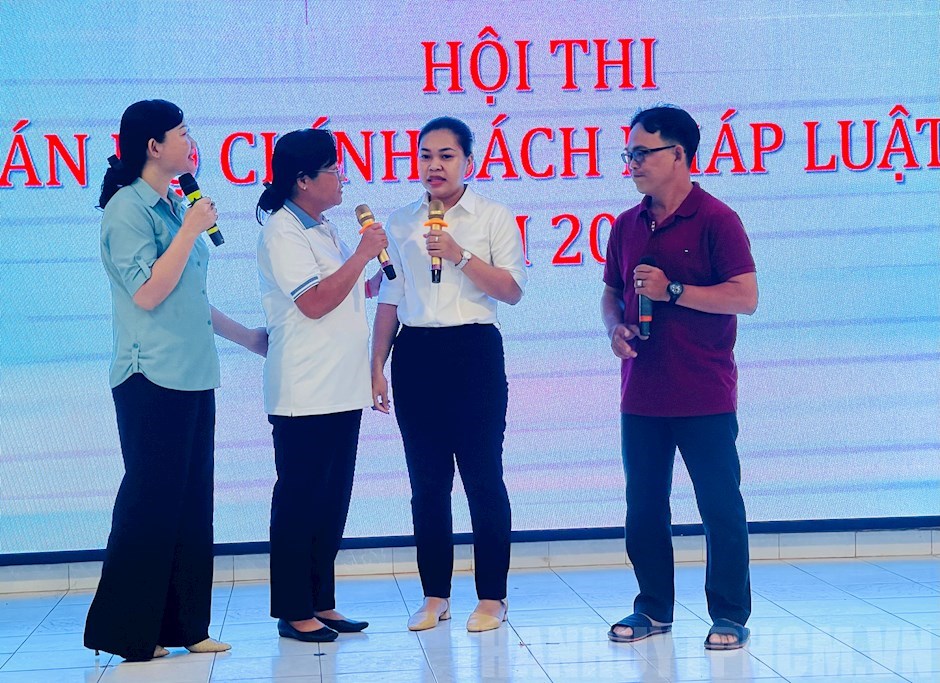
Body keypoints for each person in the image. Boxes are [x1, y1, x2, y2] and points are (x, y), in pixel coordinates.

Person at [85, 99, 267, 662]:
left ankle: (187, 626)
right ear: (153, 146)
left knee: (190, 504)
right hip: (151, 376)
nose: (192, 143)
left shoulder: (170, 203)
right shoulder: (127, 209)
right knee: (150, 505)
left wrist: (248, 338)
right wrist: (190, 228)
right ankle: (127, 632)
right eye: (183, 133)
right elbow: (148, 292)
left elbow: (189, 297)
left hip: (193, 372)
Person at [601, 105, 758, 651]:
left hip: (703, 392)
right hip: (641, 392)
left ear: (679, 155)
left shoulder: (717, 219)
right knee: (644, 507)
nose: (633, 163)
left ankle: (730, 613)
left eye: (643, 153)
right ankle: (653, 608)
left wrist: (672, 291)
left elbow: (745, 297)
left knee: (719, 506)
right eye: (629, 153)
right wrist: (615, 329)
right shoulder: (626, 224)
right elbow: (611, 293)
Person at [371, 116, 527, 633]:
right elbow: (391, 296)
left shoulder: (493, 216)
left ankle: (492, 596)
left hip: (474, 351)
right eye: (425, 155)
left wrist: (459, 255)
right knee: (427, 484)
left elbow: (511, 290)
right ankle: (434, 594)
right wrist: (376, 366)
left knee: (483, 478)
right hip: (416, 354)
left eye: (446, 155)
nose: (434, 165)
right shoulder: (401, 221)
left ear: (468, 162)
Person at [256, 128, 388, 643]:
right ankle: (294, 610)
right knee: (300, 501)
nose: (342, 178)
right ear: (303, 180)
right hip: (305, 390)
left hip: (341, 386)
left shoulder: (325, 228)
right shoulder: (282, 230)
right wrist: (362, 256)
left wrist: (375, 271)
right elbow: (312, 303)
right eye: (333, 169)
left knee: (331, 501)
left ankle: (321, 600)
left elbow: (346, 288)